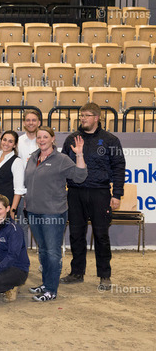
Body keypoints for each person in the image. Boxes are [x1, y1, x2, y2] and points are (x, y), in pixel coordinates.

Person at [61, 103, 124, 291]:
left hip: (100, 192)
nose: (82, 119)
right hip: (75, 192)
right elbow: (63, 166)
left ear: (97, 117)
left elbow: (119, 167)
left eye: (87, 115)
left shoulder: (111, 140)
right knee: (76, 234)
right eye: (81, 116)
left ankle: (104, 275)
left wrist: (117, 194)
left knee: (101, 235)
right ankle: (76, 272)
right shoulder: (71, 139)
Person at [25, 127, 87, 301]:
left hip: (53, 213)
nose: (41, 140)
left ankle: (51, 290)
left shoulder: (61, 159)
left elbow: (80, 176)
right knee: (43, 251)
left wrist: (79, 154)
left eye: (45, 137)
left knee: (52, 252)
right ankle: (46, 283)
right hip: (33, 212)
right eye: (39, 137)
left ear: (52, 139)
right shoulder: (33, 157)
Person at [15, 110, 41, 246]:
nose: (31, 123)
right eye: (28, 120)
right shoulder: (18, 142)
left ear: (39, 122)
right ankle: (22, 257)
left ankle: (44, 258)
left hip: (41, 192)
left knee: (41, 227)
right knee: (22, 226)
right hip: (22, 191)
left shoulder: (44, 141)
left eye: (34, 120)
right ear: (24, 123)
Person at [0, 130, 25, 214]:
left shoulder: (17, 161)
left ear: (14, 145)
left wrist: (13, 210)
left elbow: (19, 190)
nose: (6, 143)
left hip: (7, 207)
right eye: (4, 140)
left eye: (10, 141)